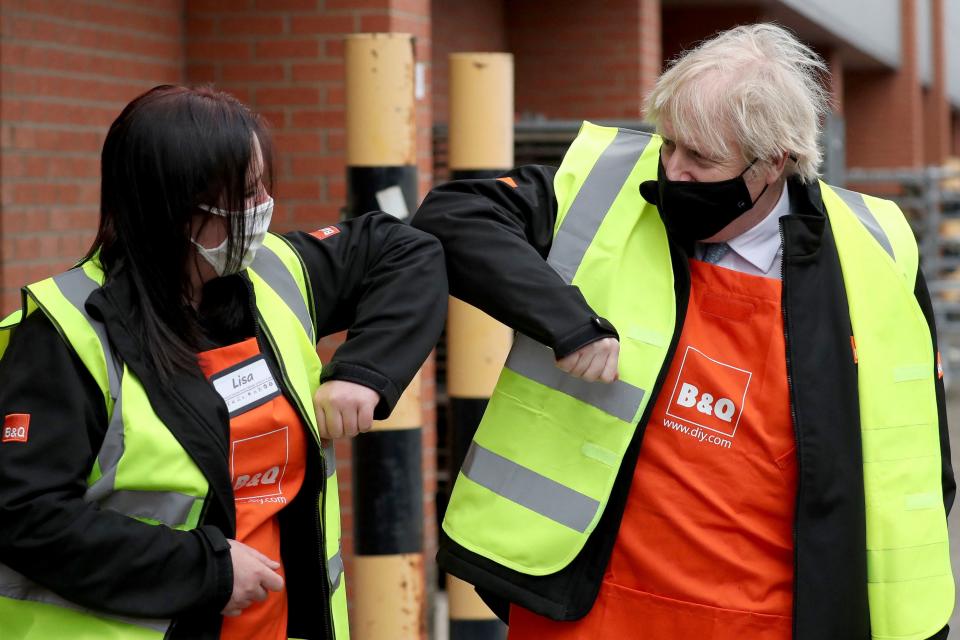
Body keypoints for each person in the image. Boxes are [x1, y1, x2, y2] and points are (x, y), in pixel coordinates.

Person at [413, 23, 954, 640]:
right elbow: (454, 216)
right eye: (668, 144)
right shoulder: (605, 188)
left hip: (767, 616)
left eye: (701, 158)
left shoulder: (873, 250)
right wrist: (568, 322)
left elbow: (917, 443)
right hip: (589, 603)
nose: (673, 171)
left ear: (774, 161)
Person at [0, 85, 447, 640]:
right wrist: (203, 569)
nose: (261, 208)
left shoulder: (272, 276)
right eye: (243, 193)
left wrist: (365, 372)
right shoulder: (64, 332)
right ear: (173, 207)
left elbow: (404, 248)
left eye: (263, 187)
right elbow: (24, 515)